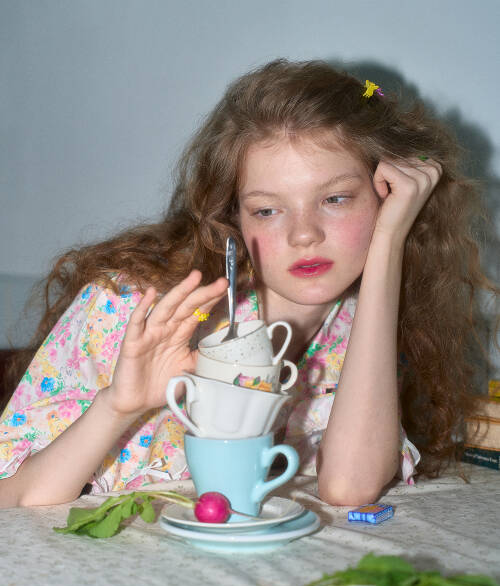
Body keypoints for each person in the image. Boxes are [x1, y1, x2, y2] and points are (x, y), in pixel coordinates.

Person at [0, 59, 497, 508]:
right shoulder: (130, 305)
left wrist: (389, 243)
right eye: (267, 210)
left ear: (385, 198)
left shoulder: (356, 329)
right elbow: (11, 497)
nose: (304, 234)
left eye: (335, 199)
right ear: (232, 218)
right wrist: (117, 406)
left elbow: (350, 488)